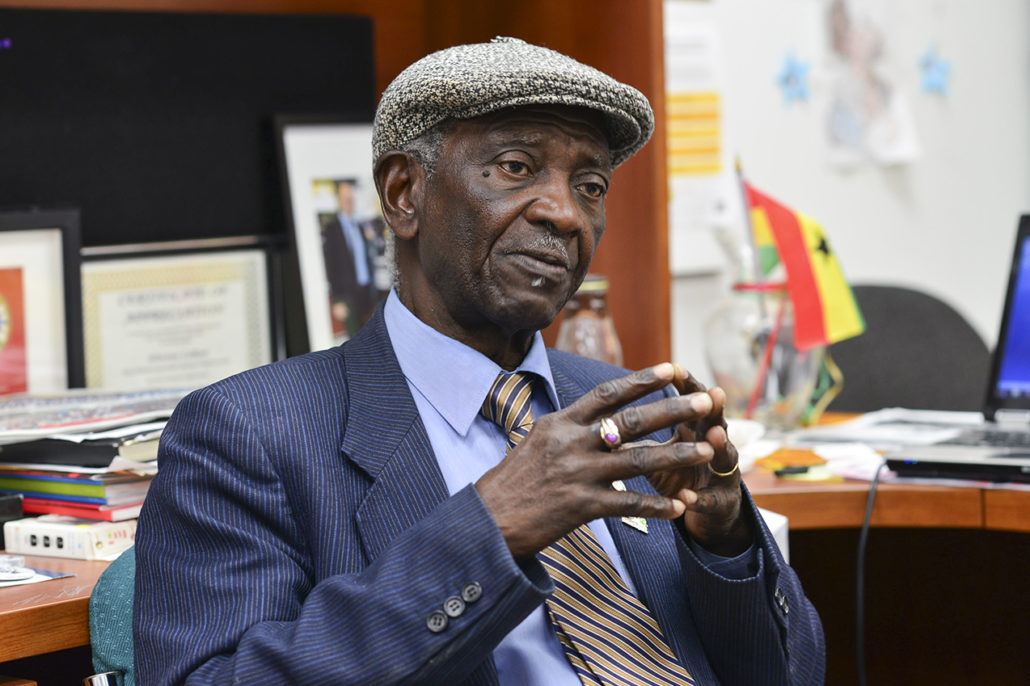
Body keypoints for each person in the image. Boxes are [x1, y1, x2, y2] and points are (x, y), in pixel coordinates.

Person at [135, 37, 825, 685]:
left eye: (590, 185)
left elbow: (791, 672)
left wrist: (727, 542)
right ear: (405, 194)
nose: (565, 214)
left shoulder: (632, 410)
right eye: (516, 168)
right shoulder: (248, 433)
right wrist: (489, 529)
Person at [322, 178, 379, 337]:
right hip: (347, 295)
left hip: (367, 290)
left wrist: (371, 240)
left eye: (351, 199)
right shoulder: (331, 229)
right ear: (338, 200)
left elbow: (371, 255)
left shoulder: (361, 225)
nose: (349, 202)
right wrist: (337, 300)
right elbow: (330, 265)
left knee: (372, 336)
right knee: (355, 339)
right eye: (346, 199)